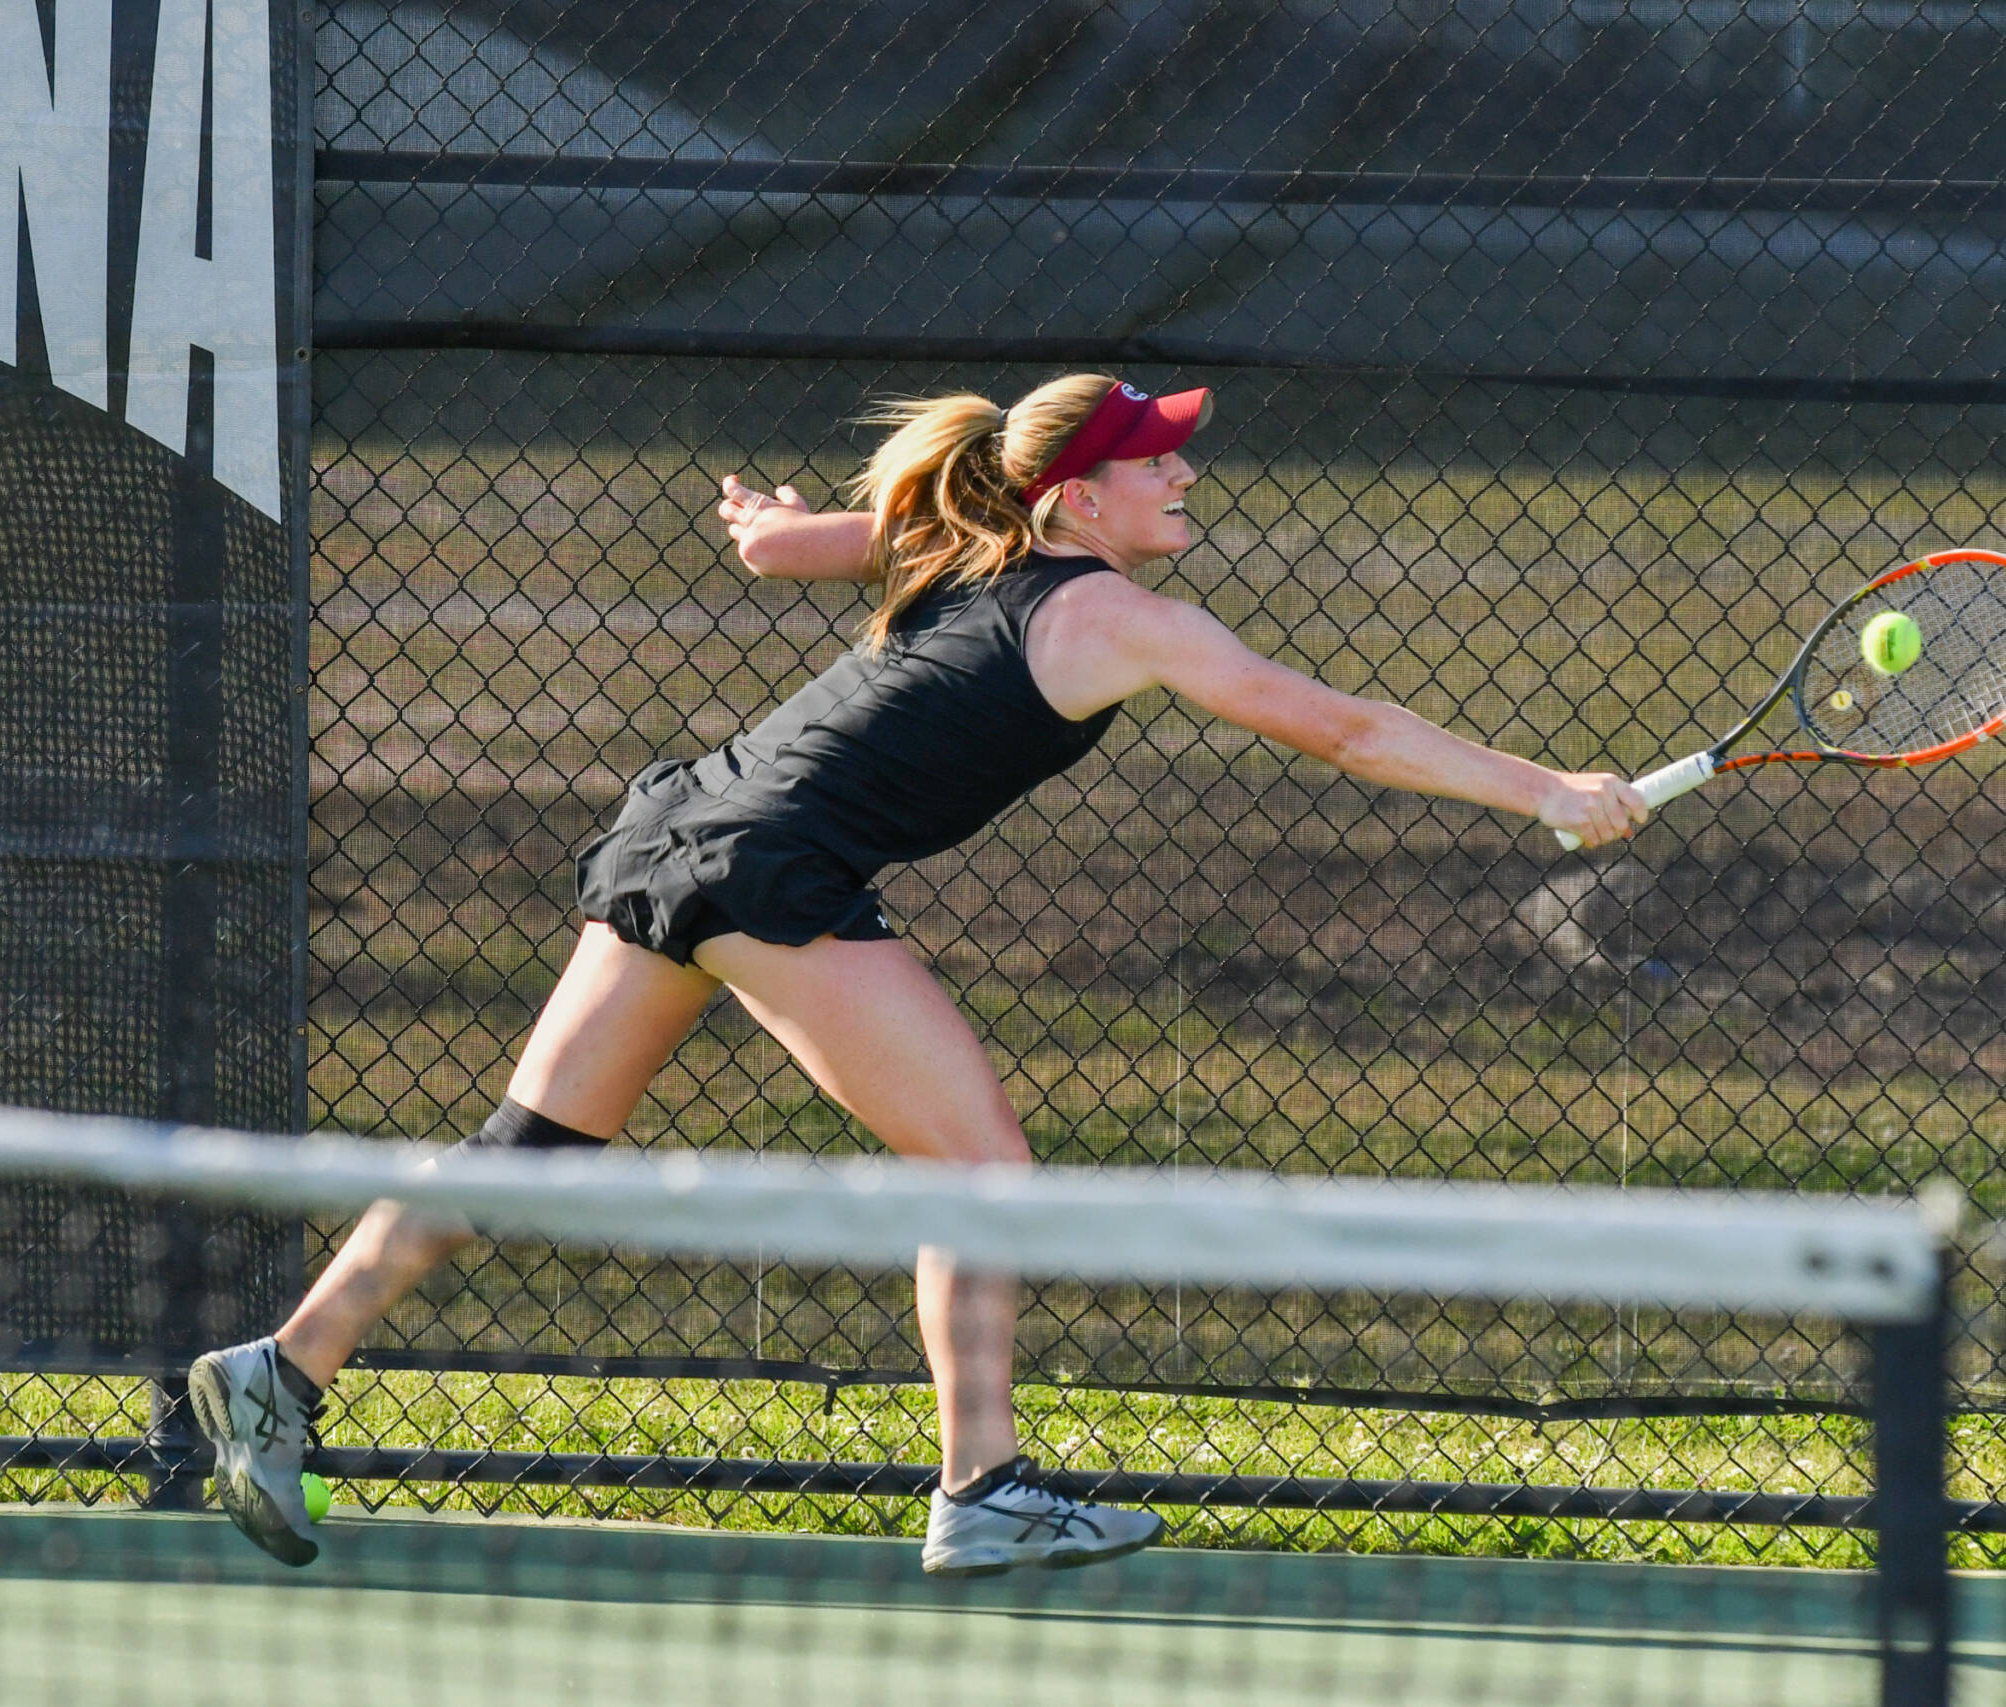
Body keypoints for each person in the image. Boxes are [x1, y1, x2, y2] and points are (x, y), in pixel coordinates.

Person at [187, 373, 1648, 1576]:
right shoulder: (1121, 617)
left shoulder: (963, 542)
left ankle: (282, 1367)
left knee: (530, 1154)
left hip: (685, 823)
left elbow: (808, 546)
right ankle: (985, 1487)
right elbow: (1347, 731)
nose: (1185, 478)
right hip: (774, 864)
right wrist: (1548, 790)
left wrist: (782, 529)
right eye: (1156, 462)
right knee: (983, 1167)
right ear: (1082, 496)